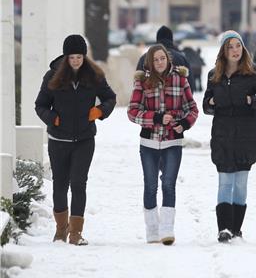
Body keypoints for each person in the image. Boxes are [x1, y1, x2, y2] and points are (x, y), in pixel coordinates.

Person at [35, 34, 117, 246]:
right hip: (58, 140)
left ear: (84, 56)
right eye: (72, 57)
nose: (76, 61)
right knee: (60, 186)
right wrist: (53, 118)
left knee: (79, 184)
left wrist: (99, 111)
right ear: (66, 57)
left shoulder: (94, 76)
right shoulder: (52, 76)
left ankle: (76, 233)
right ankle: (61, 229)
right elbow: (40, 105)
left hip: (84, 139)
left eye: (79, 57)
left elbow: (110, 98)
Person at [203, 30, 256, 243]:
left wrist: (251, 101)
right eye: (230, 47)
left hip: (246, 136)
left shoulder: (253, 73)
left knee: (241, 183)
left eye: (238, 46)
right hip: (222, 135)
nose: (235, 50)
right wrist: (210, 103)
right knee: (225, 181)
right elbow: (206, 106)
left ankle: (236, 229)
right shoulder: (213, 75)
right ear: (223, 51)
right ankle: (224, 229)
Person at [128, 44, 198, 246]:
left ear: (168, 59)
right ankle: (152, 228)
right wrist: (156, 117)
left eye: (162, 58)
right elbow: (133, 113)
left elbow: (192, 108)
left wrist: (184, 124)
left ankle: (167, 229)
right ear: (150, 62)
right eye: (155, 60)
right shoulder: (142, 82)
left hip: (172, 141)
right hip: (149, 141)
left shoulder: (180, 79)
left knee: (168, 184)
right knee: (150, 185)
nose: (159, 62)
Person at [136, 25, 196, 90]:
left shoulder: (145, 57)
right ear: (171, 39)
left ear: (157, 39)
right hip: (177, 99)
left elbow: (138, 83)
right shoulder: (181, 58)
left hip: (150, 99)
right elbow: (190, 85)